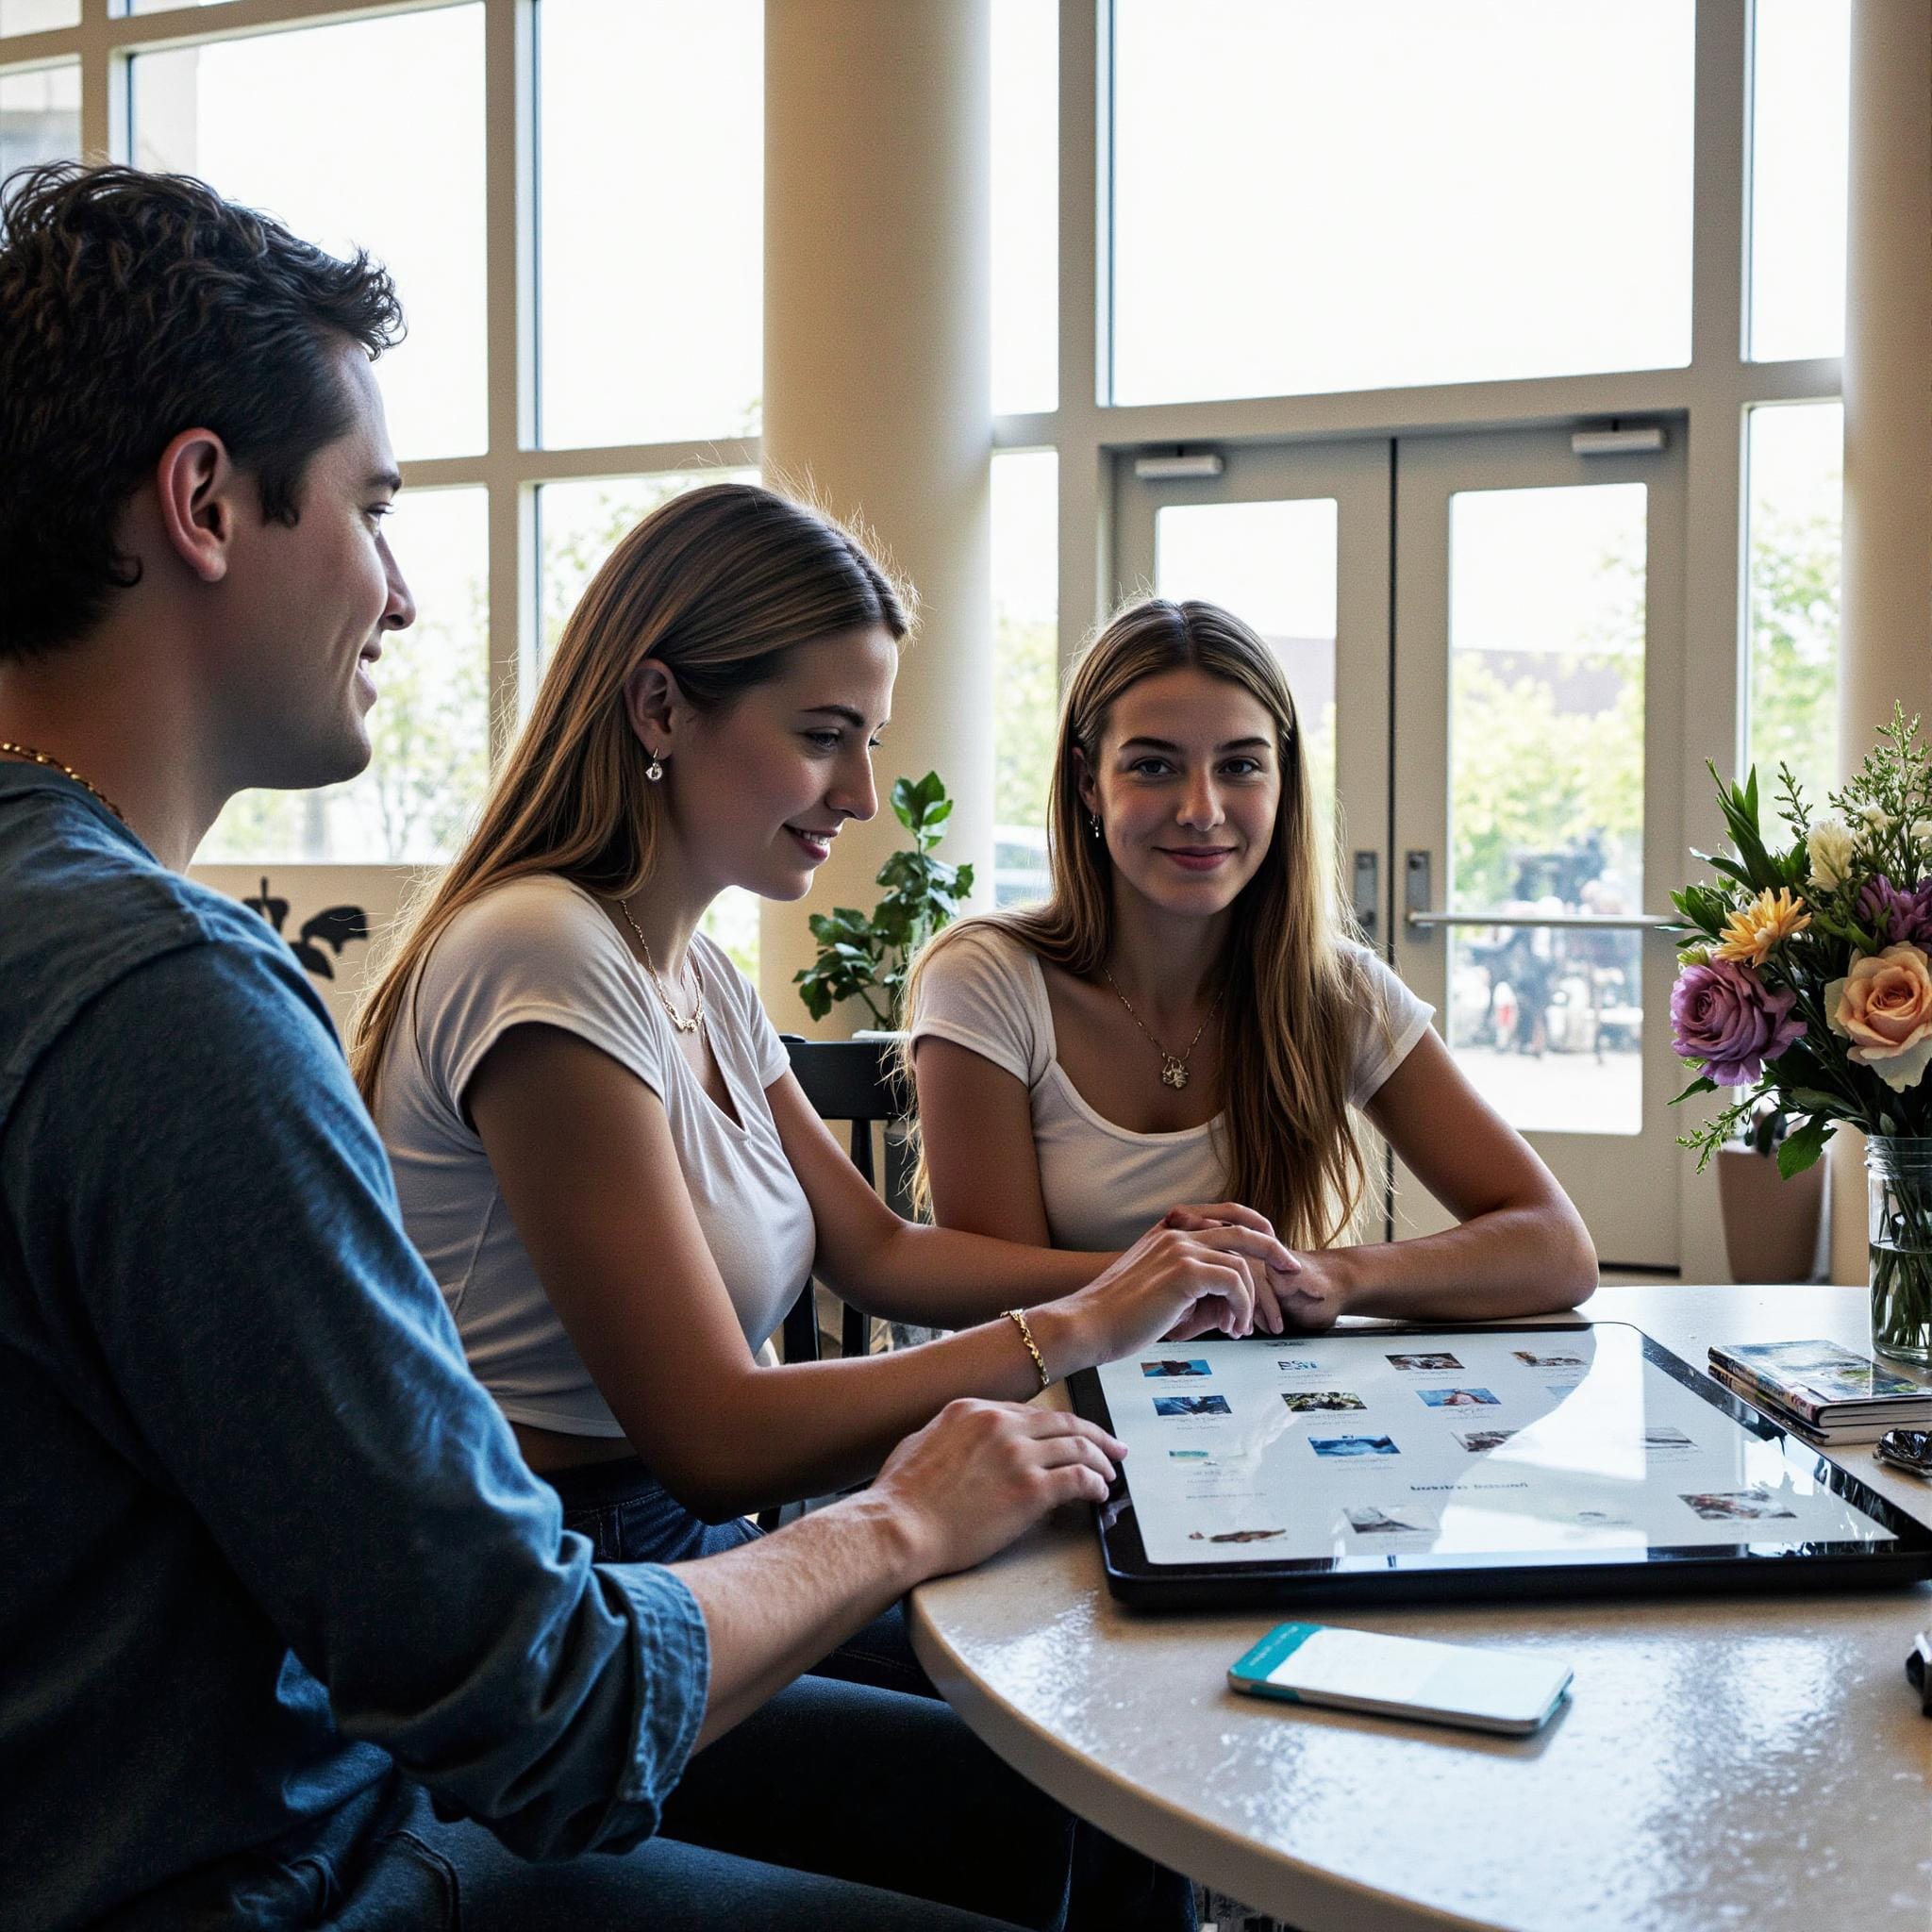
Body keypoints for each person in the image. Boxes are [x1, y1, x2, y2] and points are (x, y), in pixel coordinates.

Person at [0, 160, 1233, 1930]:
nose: (403, 594)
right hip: (278, 1865)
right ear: (205, 499)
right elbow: (541, 1701)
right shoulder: (168, 998)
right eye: (372, 506)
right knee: (1068, 1784)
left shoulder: (123, 954)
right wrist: (902, 1511)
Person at [348, 483, 1291, 1662]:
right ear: (657, 708)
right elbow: (711, 1433)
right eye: (820, 735)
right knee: (1054, 1762)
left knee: (1102, 1663)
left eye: (868, 742)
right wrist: (1084, 1321)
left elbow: (878, 1251)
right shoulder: (540, 949)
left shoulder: (699, 974)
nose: (860, 795)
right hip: (554, 1597)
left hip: (677, 1545)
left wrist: (1158, 1278)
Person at [906, 597, 1598, 1326]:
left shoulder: (1338, 990)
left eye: (1239, 765)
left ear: (1282, 782)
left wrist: (1340, 1276)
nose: (1202, 809)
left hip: (1257, 1419)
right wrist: (1173, 1276)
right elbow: (987, 1300)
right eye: (1152, 766)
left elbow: (1556, 1248)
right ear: (1087, 783)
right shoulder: (987, 976)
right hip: (1051, 1417)